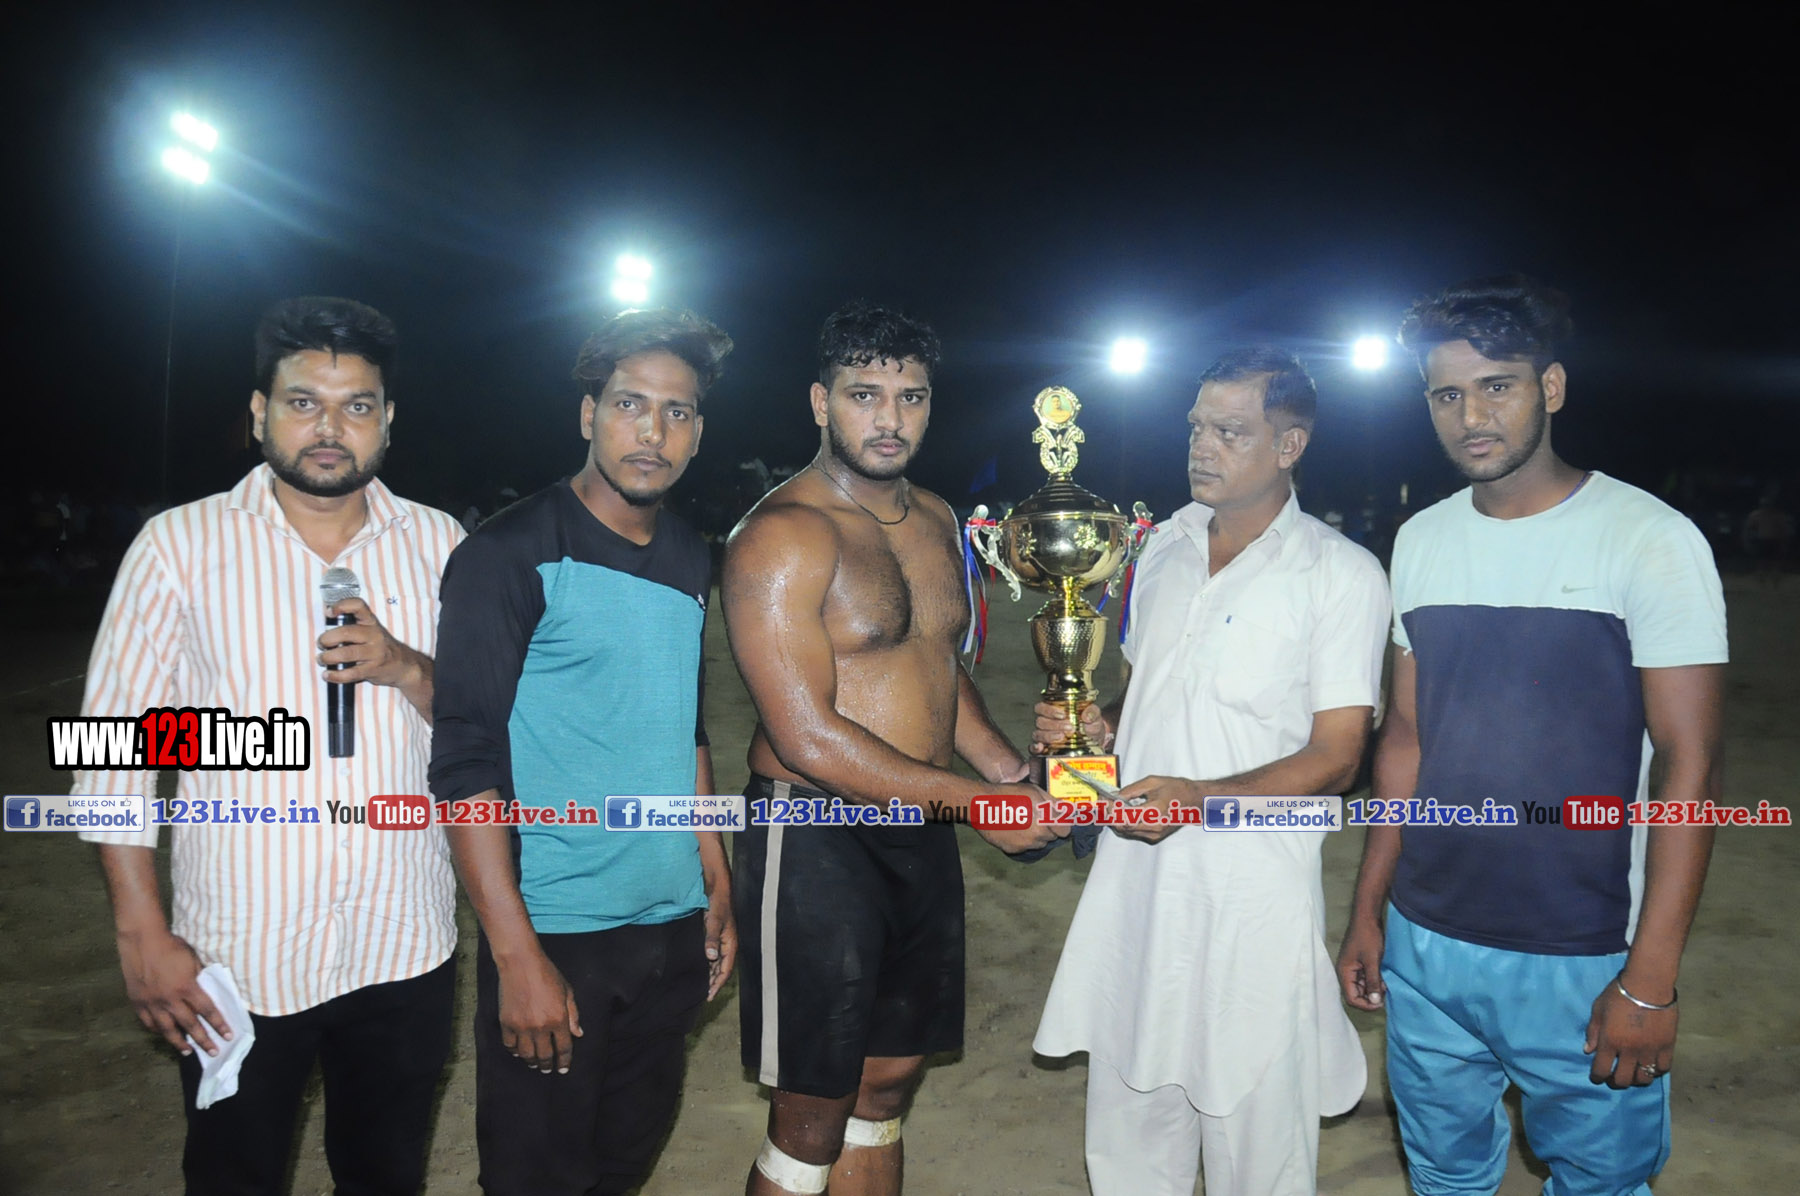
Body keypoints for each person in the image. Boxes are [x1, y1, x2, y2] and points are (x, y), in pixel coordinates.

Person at [1336, 276, 1728, 1196]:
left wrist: (1650, 979)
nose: (1471, 416)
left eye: (1497, 386)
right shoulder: (1422, 539)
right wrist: (1369, 910)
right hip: (1426, 940)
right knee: (1443, 1175)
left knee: (1600, 1183)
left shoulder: (1649, 538)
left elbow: (1691, 764)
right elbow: (1407, 740)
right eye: (1446, 394)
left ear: (1550, 387)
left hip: (1580, 951)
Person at [73, 296, 464, 1195]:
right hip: (242, 955)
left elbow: (483, 723)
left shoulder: (440, 543)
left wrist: (407, 667)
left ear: (388, 419)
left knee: (387, 1175)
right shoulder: (180, 546)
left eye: (356, 405)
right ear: (259, 413)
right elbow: (114, 751)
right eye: (302, 402)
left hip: (403, 942)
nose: (330, 428)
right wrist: (141, 933)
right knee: (232, 1175)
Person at [1029, 347, 1389, 1196]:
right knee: (1129, 1139)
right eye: (1197, 427)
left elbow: (1339, 755)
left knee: (1257, 1147)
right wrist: (1092, 728)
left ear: (1290, 445)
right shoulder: (1159, 547)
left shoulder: (1340, 574)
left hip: (1251, 899)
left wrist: (1198, 798)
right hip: (1136, 888)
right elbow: (1146, 693)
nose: (1202, 446)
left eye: (1230, 431)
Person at [722, 301, 1062, 1196]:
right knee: (811, 1110)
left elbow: (936, 668)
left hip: (922, 821)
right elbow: (806, 736)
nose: (889, 418)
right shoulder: (781, 536)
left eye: (910, 397)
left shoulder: (938, 518)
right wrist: (977, 804)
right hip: (814, 835)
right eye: (864, 394)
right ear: (820, 403)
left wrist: (1010, 775)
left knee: (888, 1081)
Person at [429, 308, 738, 1196]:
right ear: (587, 415)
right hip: (558, 934)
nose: (653, 432)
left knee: (621, 1168)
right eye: (630, 404)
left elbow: (685, 728)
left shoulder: (690, 556)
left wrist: (714, 881)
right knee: (537, 1179)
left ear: (698, 432)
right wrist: (516, 956)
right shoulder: (508, 554)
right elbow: (464, 762)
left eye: (677, 412)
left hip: (670, 926)